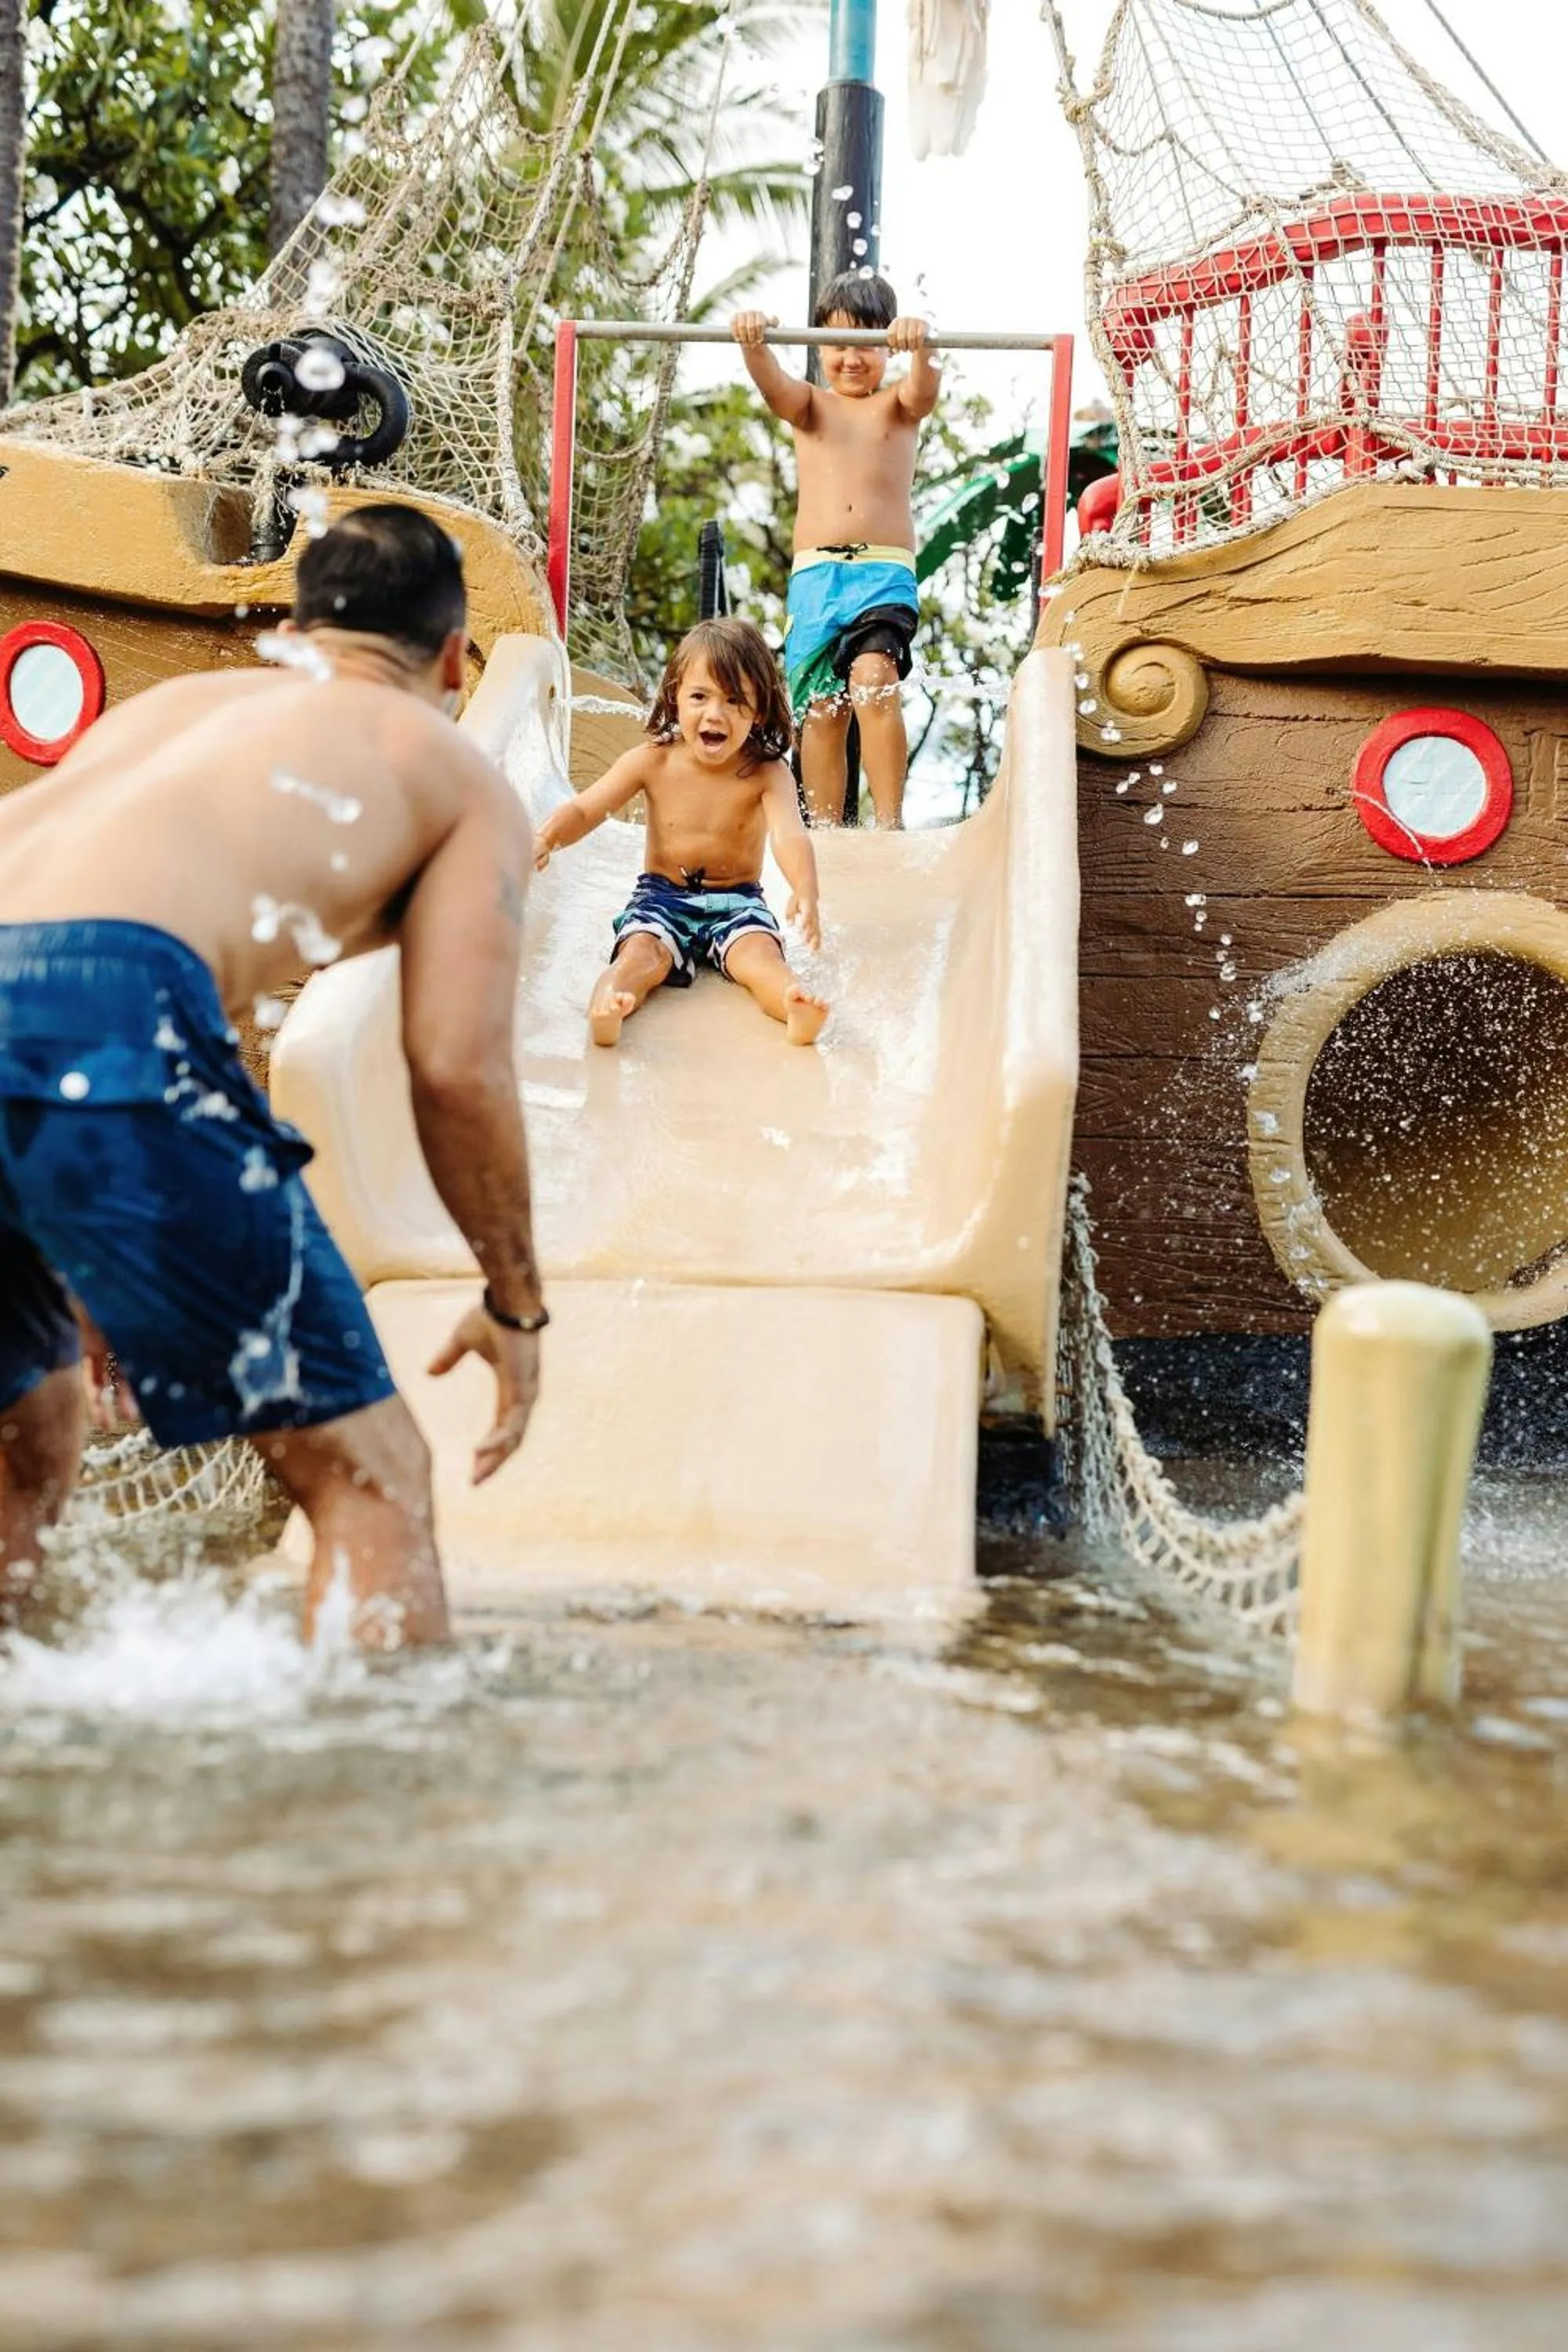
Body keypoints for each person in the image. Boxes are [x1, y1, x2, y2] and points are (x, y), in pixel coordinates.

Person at [0, 503, 546, 1650]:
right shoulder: (448, 769)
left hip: (49, 990)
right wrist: (514, 1298)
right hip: (106, 1013)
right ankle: (362, 1819)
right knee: (373, 1478)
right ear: (454, 659)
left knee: (30, 1423)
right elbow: (454, 1065)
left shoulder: (181, 712)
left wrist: (102, 1263)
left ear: (298, 632)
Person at [533, 617, 828, 1048]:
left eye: (734, 700)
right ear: (675, 698)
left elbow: (790, 835)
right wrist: (546, 838)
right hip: (661, 897)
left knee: (759, 955)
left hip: (738, 900)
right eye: (700, 696)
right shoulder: (652, 760)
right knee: (640, 954)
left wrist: (806, 888)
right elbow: (586, 808)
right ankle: (609, 1004)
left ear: (760, 709)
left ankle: (792, 1003)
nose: (715, 713)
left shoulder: (767, 772)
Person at [732, 269, 940, 829]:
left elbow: (925, 387)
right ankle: (825, 834)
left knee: (874, 680)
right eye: (838, 344)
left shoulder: (898, 404)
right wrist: (754, 342)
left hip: (882, 573)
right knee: (822, 713)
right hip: (816, 579)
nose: (852, 358)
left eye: (867, 344)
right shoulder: (810, 406)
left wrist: (923, 345)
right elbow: (770, 383)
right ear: (819, 345)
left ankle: (890, 824)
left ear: (888, 345)